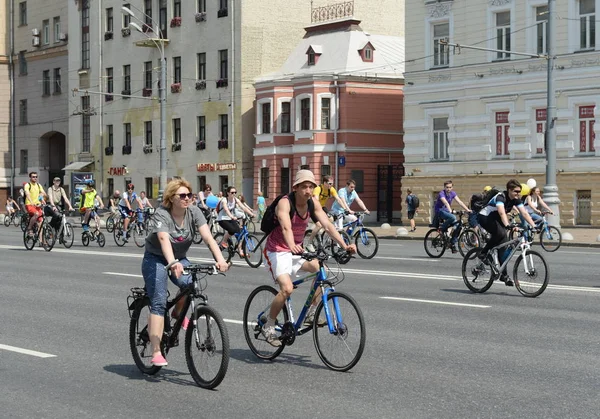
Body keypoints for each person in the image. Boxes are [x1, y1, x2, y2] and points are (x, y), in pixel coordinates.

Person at [261, 170, 357, 347]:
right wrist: (291, 244)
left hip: (296, 250)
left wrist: (344, 245)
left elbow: (327, 224)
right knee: (287, 289)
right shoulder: (285, 202)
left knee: (321, 271)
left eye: (311, 186)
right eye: (304, 187)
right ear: (295, 187)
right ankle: (269, 324)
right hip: (277, 250)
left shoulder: (312, 202)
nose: (308, 190)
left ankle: (311, 312)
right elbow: (285, 227)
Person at [141, 177, 229, 367]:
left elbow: (208, 237)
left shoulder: (194, 212)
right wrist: (172, 262)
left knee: (190, 285)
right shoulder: (162, 214)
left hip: (179, 258)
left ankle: (177, 315)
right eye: (182, 195)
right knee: (158, 302)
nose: (187, 198)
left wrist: (220, 259)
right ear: (171, 197)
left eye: (189, 194)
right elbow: (164, 240)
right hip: (156, 258)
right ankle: (156, 351)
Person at [478, 179, 537, 286]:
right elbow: (501, 212)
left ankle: (503, 275)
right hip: (485, 217)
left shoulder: (516, 199)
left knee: (502, 247)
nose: (518, 194)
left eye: (519, 192)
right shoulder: (501, 197)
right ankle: (483, 253)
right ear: (509, 190)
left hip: (496, 219)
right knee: (500, 234)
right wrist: (507, 225)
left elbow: (524, 213)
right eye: (516, 191)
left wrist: (534, 226)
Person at [306, 175, 352, 249]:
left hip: (322, 207)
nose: (331, 185)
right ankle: (309, 243)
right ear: (324, 183)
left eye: (332, 183)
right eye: (330, 183)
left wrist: (345, 209)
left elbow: (338, 199)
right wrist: (322, 214)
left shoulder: (331, 189)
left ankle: (326, 237)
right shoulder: (318, 189)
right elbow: (316, 201)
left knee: (331, 219)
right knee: (319, 225)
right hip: (314, 207)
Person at [433, 180, 471, 253]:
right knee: (453, 217)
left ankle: (452, 243)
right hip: (440, 211)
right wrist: (451, 211)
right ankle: (441, 229)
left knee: (458, 225)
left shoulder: (453, 193)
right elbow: (446, 203)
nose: (448, 189)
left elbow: (460, 202)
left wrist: (467, 210)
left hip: (447, 211)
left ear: (452, 187)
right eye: (447, 187)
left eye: (450, 187)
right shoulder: (441, 193)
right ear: (444, 187)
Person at [216, 186, 255, 257]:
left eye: (235, 192)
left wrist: (251, 214)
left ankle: (240, 251)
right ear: (228, 193)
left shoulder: (235, 199)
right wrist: (232, 216)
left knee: (239, 233)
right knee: (232, 230)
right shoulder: (224, 200)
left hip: (231, 218)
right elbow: (226, 209)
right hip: (222, 219)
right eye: (232, 192)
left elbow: (243, 207)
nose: (234, 194)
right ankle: (223, 242)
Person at [24, 172, 46, 237]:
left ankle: (41, 241)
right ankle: (29, 228)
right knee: (36, 214)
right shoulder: (28, 185)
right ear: (30, 177)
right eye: (33, 177)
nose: (35, 178)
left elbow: (44, 193)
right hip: (29, 204)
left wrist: (41, 198)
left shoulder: (39, 185)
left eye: (36, 177)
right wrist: (31, 202)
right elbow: (27, 194)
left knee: (41, 223)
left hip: (37, 205)